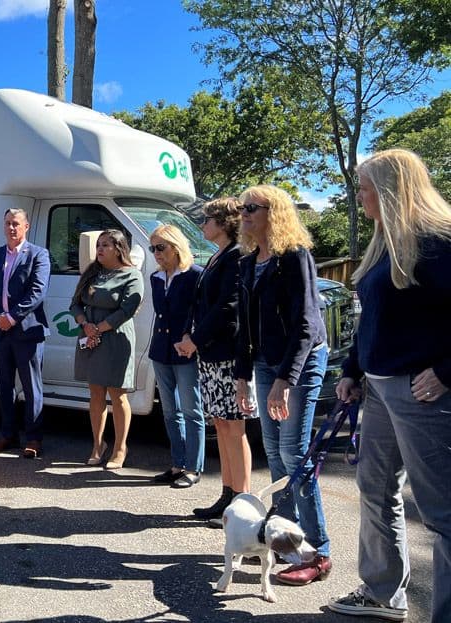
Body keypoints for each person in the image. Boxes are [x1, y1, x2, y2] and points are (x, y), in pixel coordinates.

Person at [326, 149, 451, 623]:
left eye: (364, 188)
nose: (359, 197)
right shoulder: (385, 241)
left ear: (392, 189)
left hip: (422, 394)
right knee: (374, 489)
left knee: (442, 515)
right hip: (378, 390)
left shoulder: (440, 241)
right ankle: (382, 595)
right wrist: (353, 371)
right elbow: (372, 322)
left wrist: (444, 371)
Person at [234, 184, 332, 586]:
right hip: (263, 362)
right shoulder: (247, 262)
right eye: (242, 208)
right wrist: (241, 377)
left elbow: (307, 323)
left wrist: (284, 380)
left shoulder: (295, 257)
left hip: (300, 361)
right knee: (275, 452)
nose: (243, 214)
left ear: (274, 212)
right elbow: (244, 326)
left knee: (294, 453)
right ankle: (288, 544)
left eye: (251, 208)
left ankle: (319, 552)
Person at [175, 198, 254, 520]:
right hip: (211, 353)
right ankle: (227, 494)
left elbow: (228, 306)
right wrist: (189, 336)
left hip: (228, 354)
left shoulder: (236, 255)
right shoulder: (217, 256)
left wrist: (196, 339)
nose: (203, 225)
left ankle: (243, 502)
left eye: (208, 219)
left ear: (224, 223)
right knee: (220, 424)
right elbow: (201, 304)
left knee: (235, 427)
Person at [0, 208, 51, 458]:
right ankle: (8, 435)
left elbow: (38, 291)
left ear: (26, 227)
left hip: (27, 331)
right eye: (8, 223)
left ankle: (33, 438)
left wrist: (12, 317)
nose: (11, 228)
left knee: (32, 387)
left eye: (16, 224)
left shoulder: (39, 255)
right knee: (4, 385)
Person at [69, 229, 143, 470]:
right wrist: (85, 324)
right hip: (89, 336)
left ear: (119, 249)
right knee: (95, 392)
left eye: (105, 245)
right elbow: (75, 304)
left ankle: (120, 447)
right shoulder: (92, 272)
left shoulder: (131, 275)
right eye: (98, 245)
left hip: (114, 338)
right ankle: (97, 445)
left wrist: (98, 328)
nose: (99, 249)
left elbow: (127, 309)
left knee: (117, 393)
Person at [147, 224, 204, 488]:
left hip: (185, 350)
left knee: (192, 410)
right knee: (170, 411)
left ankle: (193, 467)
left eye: (161, 247)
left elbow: (200, 313)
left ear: (176, 246)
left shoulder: (194, 275)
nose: (156, 253)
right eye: (153, 248)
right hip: (161, 349)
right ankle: (177, 464)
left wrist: (190, 338)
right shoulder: (156, 278)